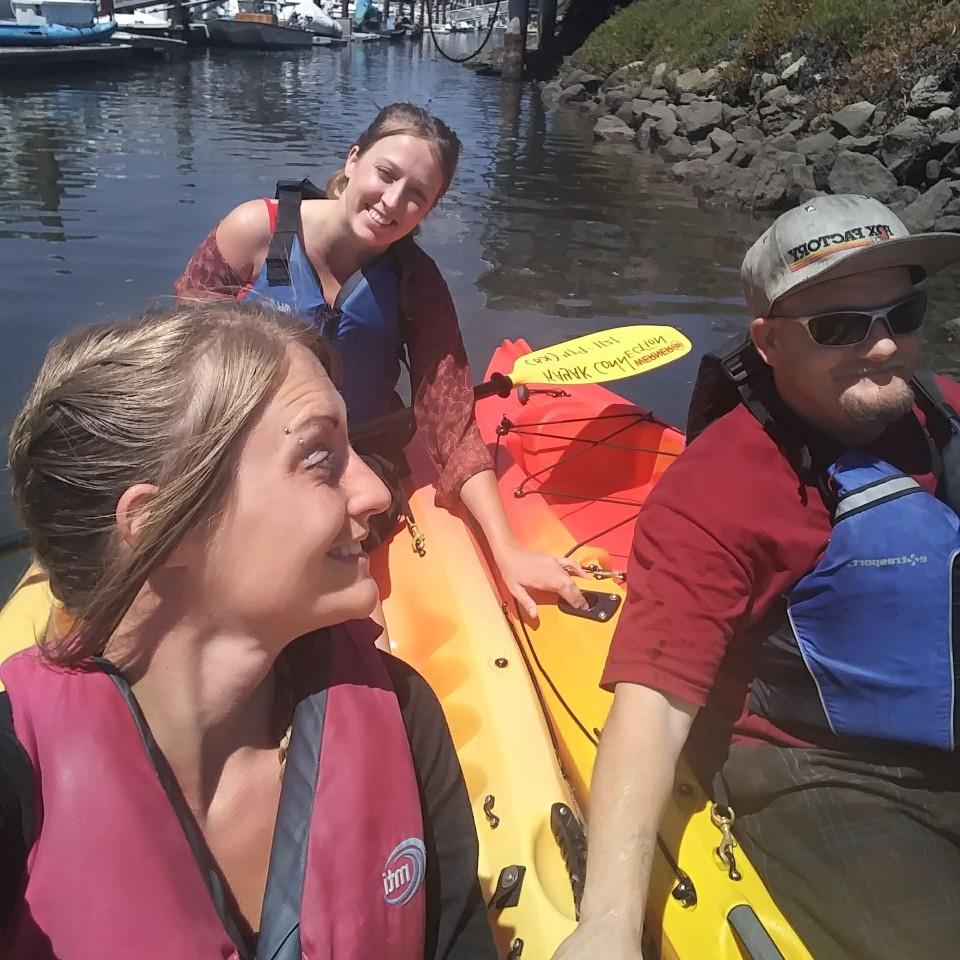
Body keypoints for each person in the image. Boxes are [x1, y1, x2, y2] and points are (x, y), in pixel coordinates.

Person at [0, 302, 497, 960]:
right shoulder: (17, 784)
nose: (377, 493)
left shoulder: (404, 717)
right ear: (162, 527)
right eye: (321, 458)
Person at [554, 195, 960, 960]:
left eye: (902, 315)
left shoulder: (941, 416)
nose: (882, 348)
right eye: (838, 328)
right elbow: (655, 701)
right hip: (830, 773)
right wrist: (606, 921)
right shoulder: (719, 488)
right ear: (769, 344)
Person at [174, 102, 587, 627]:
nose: (393, 202)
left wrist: (506, 549)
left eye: (417, 195)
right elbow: (183, 349)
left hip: (356, 459)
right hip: (243, 444)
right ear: (353, 161)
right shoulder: (259, 232)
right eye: (385, 174)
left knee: (300, 529)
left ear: (428, 210)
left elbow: (451, 417)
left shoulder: (415, 280)